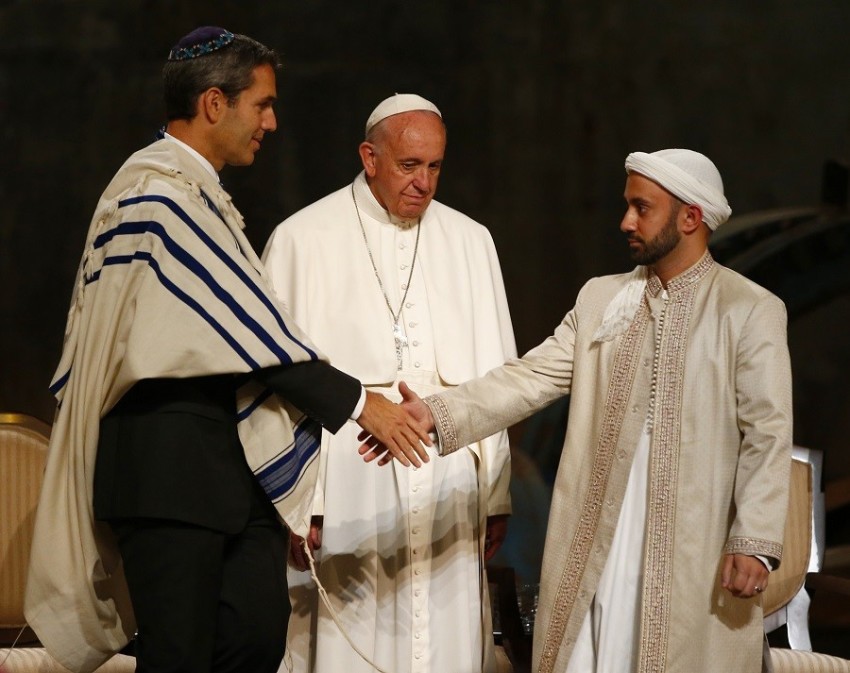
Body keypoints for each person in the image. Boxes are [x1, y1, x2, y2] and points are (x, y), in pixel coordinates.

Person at [23, 28, 429, 673]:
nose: (271, 121)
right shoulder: (155, 197)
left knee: (255, 641)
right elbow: (250, 332)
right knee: (180, 658)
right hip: (167, 472)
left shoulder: (200, 197)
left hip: (231, 474)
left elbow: (241, 331)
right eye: (261, 104)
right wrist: (361, 404)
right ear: (215, 103)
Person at [371, 148, 794, 672]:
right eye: (628, 206)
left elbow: (768, 433)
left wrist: (752, 541)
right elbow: (529, 377)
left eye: (642, 208)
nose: (626, 221)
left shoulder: (748, 309)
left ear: (691, 217)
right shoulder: (601, 300)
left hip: (693, 543)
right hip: (600, 537)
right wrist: (438, 413)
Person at [261, 94, 517, 673]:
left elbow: (498, 381)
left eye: (435, 167)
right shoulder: (302, 238)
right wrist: (304, 503)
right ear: (369, 157)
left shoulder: (472, 240)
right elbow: (277, 387)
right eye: (409, 166)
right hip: (347, 474)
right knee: (348, 635)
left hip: (450, 475)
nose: (424, 183)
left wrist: (496, 494)